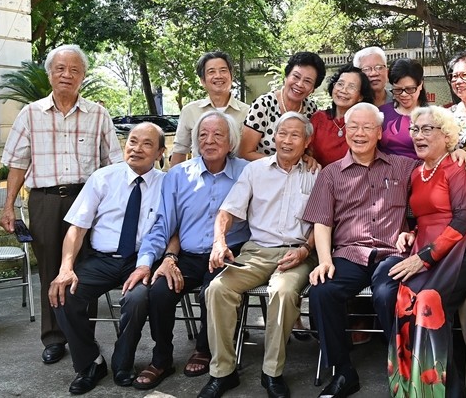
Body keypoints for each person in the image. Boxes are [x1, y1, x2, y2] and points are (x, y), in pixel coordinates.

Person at [0, 44, 123, 365]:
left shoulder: (98, 114)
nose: (67, 75)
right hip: (44, 200)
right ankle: (54, 337)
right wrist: (9, 206)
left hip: (88, 199)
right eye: (60, 69)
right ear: (50, 73)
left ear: (82, 76)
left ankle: (83, 335)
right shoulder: (30, 114)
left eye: (74, 70)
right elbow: (16, 164)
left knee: (86, 269)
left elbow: (114, 165)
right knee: (51, 269)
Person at [199, 112, 319, 398]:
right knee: (217, 288)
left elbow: (322, 223)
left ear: (307, 141)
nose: (287, 140)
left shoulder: (317, 173)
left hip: (297, 253)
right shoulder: (255, 170)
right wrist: (219, 242)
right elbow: (227, 211)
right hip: (256, 250)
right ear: (273, 137)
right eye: (282, 133)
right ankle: (223, 372)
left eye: (295, 135)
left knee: (283, 291)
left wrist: (305, 250)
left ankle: (272, 372)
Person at [303, 102, 417, 397]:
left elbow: (434, 181)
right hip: (350, 253)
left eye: (367, 127)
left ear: (379, 133)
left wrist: (413, 233)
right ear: (346, 132)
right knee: (321, 290)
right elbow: (322, 222)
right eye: (353, 126)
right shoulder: (331, 174)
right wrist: (324, 260)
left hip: (392, 252)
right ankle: (343, 371)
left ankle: (404, 364)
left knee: (386, 294)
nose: (360, 133)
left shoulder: (403, 167)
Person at [131, 111, 250, 390]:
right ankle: (161, 359)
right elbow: (163, 225)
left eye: (218, 135)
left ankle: (204, 348)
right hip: (188, 254)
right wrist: (148, 262)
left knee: (213, 290)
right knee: (159, 290)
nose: (209, 141)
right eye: (203, 135)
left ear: (231, 142)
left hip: (229, 252)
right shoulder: (178, 175)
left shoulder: (247, 171)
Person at [47, 123, 165, 394]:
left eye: (147, 144)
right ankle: (90, 362)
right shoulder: (103, 178)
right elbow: (77, 227)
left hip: (142, 260)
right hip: (102, 259)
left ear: (160, 152)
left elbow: (173, 227)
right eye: (132, 141)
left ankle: (123, 363)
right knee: (63, 291)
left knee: (137, 298)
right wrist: (66, 268)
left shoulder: (167, 183)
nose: (136, 148)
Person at [387, 105, 466, 397]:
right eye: (415, 129)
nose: (418, 135)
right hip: (426, 244)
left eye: (427, 129)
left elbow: (464, 219)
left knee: (431, 301)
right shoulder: (417, 173)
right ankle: (409, 387)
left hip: (463, 243)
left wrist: (425, 257)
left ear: (447, 136)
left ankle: (442, 390)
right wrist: (408, 234)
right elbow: (418, 218)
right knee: (405, 298)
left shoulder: (458, 168)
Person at [239, 51, 326, 160]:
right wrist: (279, 165)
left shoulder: (311, 110)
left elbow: (306, 151)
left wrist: (308, 159)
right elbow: (245, 153)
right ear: (286, 76)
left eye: (307, 81)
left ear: (313, 89)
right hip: (261, 172)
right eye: (296, 76)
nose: (299, 84)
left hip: (294, 174)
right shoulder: (263, 104)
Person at [171, 51, 249, 165]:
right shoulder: (190, 111)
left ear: (231, 76)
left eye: (223, 70)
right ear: (203, 80)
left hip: (239, 179)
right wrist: (173, 181)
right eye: (211, 72)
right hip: (200, 179)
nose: (218, 76)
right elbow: (180, 150)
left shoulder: (248, 112)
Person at [310, 64, 374, 166]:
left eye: (351, 87)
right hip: (321, 178)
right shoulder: (318, 119)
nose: (343, 90)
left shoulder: (365, 124)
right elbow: (305, 151)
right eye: (340, 84)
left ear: (360, 96)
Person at [379, 58, 429, 160]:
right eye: (397, 90)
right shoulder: (381, 113)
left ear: (420, 85)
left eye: (410, 89)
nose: (404, 94)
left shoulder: (432, 116)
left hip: (419, 173)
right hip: (385, 173)